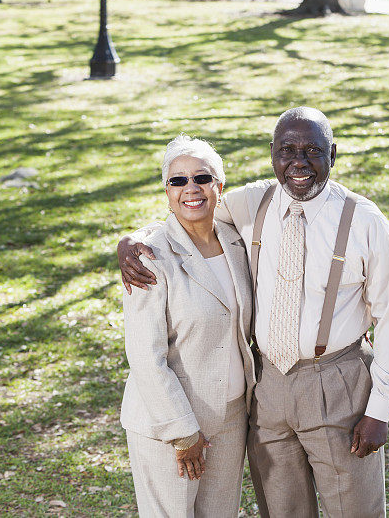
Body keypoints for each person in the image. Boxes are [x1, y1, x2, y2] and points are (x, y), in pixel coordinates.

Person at [119, 107, 389, 518]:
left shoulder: (365, 221)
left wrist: (381, 409)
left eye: (312, 151)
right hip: (267, 389)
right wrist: (132, 239)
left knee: (354, 510)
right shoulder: (253, 202)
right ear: (272, 154)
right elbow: (188, 211)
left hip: (338, 380)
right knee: (282, 509)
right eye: (287, 150)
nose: (299, 162)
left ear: (333, 154)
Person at [119, 134, 255, 518]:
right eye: (177, 181)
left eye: (202, 178)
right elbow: (146, 357)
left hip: (231, 418)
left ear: (219, 186)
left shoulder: (236, 242)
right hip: (170, 423)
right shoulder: (148, 257)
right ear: (166, 191)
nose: (190, 189)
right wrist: (184, 434)